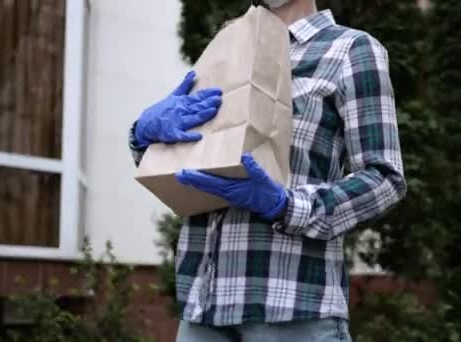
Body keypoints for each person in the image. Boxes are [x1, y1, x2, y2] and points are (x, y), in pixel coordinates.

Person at [129, 0, 406, 340]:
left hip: (292, 309)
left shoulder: (351, 50)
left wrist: (288, 206)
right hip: (202, 311)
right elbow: (190, 162)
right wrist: (144, 137)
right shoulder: (228, 47)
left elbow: (384, 179)